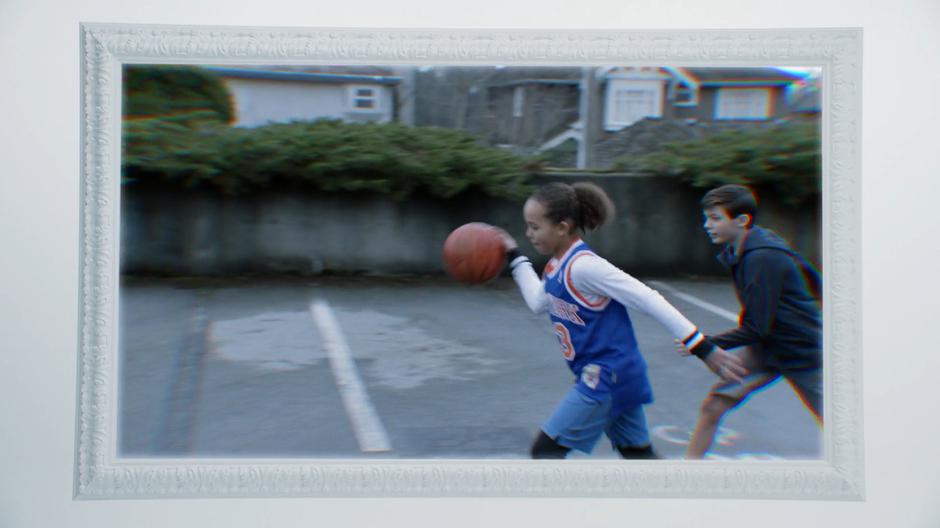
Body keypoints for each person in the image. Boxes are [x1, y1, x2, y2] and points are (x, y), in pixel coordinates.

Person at [496, 181, 747, 459]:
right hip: (617, 376)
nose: (529, 233)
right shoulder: (557, 266)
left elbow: (648, 298)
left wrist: (703, 348)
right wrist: (514, 257)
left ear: (562, 227)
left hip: (605, 377)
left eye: (534, 226)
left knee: (545, 452)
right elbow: (538, 302)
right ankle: (680, 499)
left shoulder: (585, 267)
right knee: (639, 458)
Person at [676, 184, 823, 459]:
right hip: (767, 349)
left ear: (742, 221)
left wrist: (704, 344)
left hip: (804, 353)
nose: (707, 225)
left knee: (839, 422)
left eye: (715, 218)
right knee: (713, 406)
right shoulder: (747, 249)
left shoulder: (762, 256)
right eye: (706, 217)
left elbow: (756, 327)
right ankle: (687, 474)